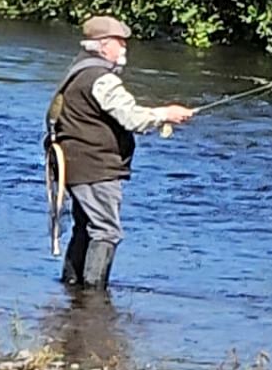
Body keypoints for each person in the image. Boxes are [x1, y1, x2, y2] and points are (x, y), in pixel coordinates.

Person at [45, 15, 194, 289]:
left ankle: (71, 289)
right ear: (103, 46)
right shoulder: (102, 79)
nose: (124, 48)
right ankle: (93, 296)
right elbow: (133, 119)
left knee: (85, 227)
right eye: (119, 42)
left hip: (75, 165)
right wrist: (165, 114)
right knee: (106, 231)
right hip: (95, 168)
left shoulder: (79, 70)